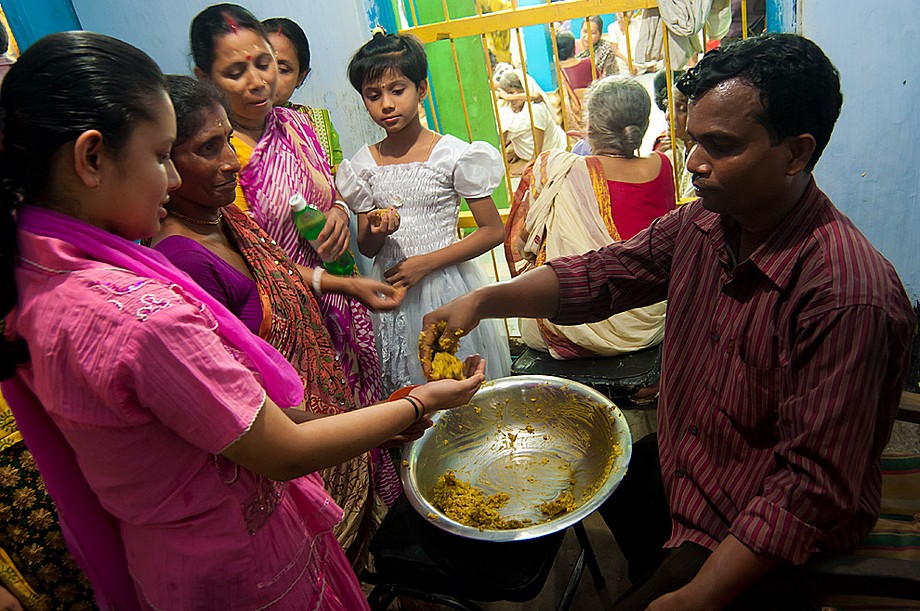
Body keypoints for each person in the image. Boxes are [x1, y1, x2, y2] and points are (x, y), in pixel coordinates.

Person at [422, 33, 915, 610]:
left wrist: (700, 595)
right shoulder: (704, 224)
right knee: (615, 480)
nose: (694, 163)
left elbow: (810, 491)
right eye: (691, 141)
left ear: (797, 152)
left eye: (720, 146)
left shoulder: (846, 297)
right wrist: (482, 302)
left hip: (751, 524)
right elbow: (605, 274)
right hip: (692, 465)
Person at [0, 31, 485, 609]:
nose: (175, 180)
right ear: (92, 157)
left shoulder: (45, 278)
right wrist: (419, 403)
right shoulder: (137, 315)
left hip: (188, 553)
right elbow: (281, 450)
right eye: (161, 157)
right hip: (240, 564)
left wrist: (347, 302)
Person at [151, 75, 402, 564]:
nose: (232, 160)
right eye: (207, 148)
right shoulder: (186, 260)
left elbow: (280, 276)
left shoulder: (224, 217)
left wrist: (345, 284)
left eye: (228, 139)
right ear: (166, 161)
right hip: (294, 449)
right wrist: (372, 423)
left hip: (327, 428)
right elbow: (245, 406)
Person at [191, 4, 386, 411]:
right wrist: (344, 285)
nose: (258, 82)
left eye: (265, 64)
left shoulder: (298, 125)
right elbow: (254, 262)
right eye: (235, 72)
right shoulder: (223, 159)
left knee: (367, 408)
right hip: (285, 316)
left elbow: (329, 190)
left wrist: (336, 213)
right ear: (204, 79)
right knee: (322, 424)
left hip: (342, 295)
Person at [337, 32, 511, 393]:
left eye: (397, 90)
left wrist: (426, 263)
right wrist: (378, 229)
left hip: (446, 288)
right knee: (408, 389)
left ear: (422, 89)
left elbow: (492, 230)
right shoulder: (363, 164)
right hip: (390, 294)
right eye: (373, 95)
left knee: (455, 381)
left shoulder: (452, 155)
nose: (386, 104)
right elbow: (367, 248)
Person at [506, 76, 673, 359]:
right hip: (651, 322)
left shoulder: (560, 168)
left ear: (591, 126)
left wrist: (586, 151)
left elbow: (525, 246)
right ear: (643, 126)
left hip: (573, 323)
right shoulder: (663, 164)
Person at [263, 16, 344, 173]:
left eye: (283, 70)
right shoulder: (229, 128)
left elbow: (337, 184)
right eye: (263, 65)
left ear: (301, 77)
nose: (270, 78)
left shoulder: (318, 125)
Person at [497, 70, 568, 173]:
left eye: (512, 92)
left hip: (551, 155)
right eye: (506, 94)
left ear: (524, 90)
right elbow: (507, 135)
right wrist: (516, 152)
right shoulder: (508, 110)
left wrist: (530, 164)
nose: (509, 99)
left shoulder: (535, 109)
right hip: (527, 157)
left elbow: (537, 153)